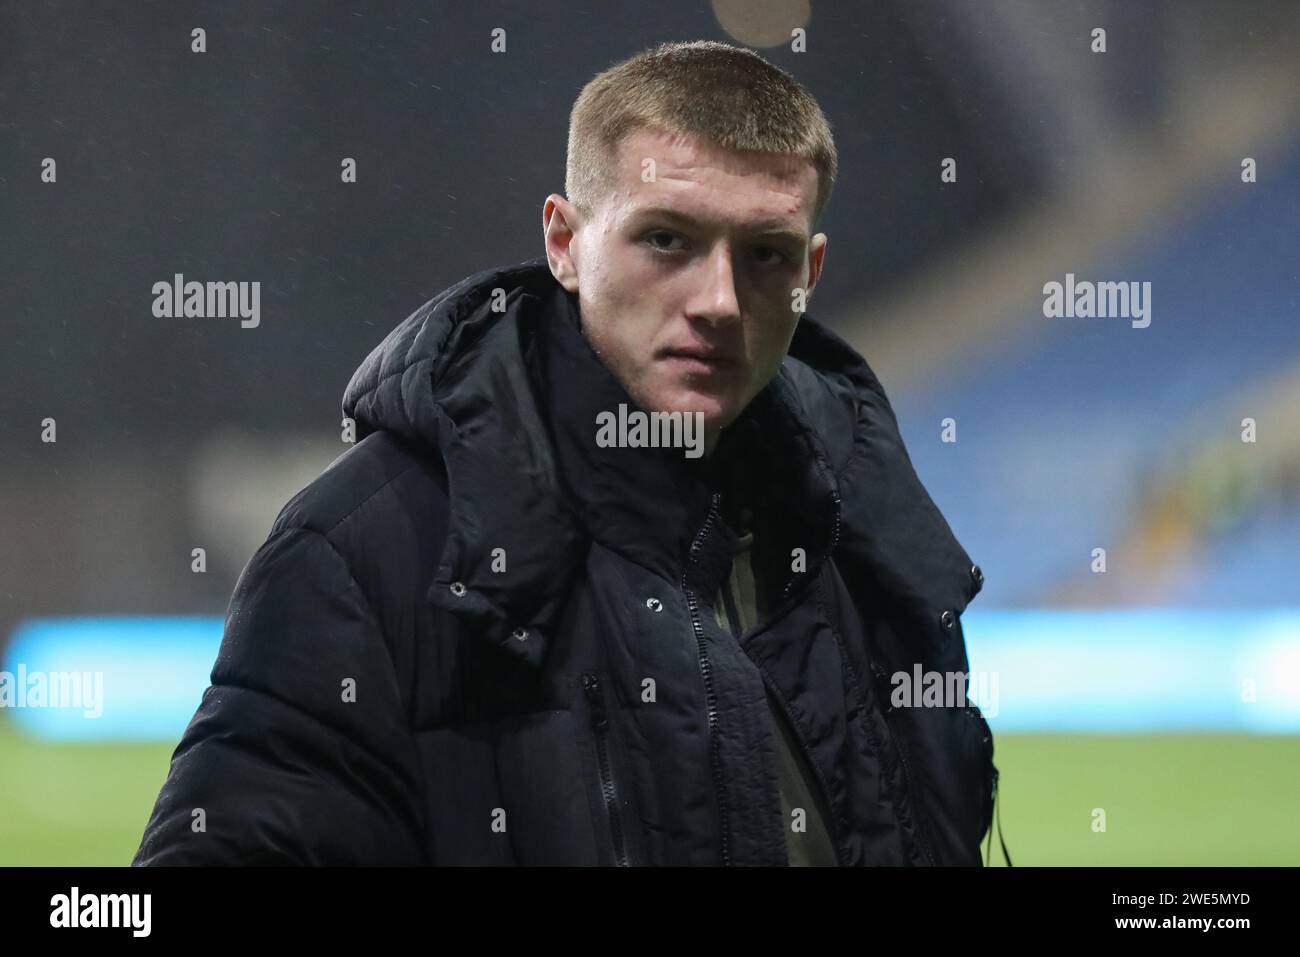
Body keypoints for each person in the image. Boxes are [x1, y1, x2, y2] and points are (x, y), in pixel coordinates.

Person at [134, 39, 999, 867]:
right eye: (667, 239)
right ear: (564, 243)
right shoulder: (366, 550)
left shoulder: (860, 531)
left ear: (811, 269)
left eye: (765, 255)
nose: (720, 302)